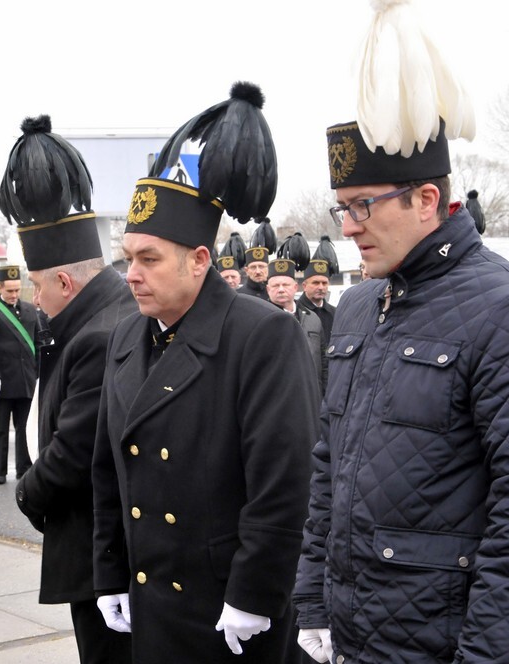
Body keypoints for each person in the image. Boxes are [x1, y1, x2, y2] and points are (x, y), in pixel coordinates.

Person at [293, 5, 509, 661]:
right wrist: (312, 598)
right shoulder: (360, 305)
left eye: (362, 205)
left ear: (426, 200)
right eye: (342, 208)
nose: (348, 226)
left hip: (452, 645)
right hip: (357, 638)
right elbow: (330, 467)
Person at [92, 82, 319, 663]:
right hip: (152, 597)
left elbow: (284, 483)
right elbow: (109, 472)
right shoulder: (126, 337)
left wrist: (256, 592)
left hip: (228, 610)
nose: (132, 274)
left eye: (149, 259)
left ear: (199, 260)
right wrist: (110, 570)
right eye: (128, 258)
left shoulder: (263, 335)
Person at [1, 115, 136, 663]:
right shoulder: (94, 318)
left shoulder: (99, 333)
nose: (34, 299)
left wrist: (27, 493)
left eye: (36, 286)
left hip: (99, 551)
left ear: (63, 280)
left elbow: (75, 450)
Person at [0, 264, 38, 484]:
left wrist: (38, 373)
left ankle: (24, 469)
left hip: (25, 380)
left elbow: (38, 344)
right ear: (0, 287)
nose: (14, 294)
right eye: (10, 290)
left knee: (24, 428)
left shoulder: (30, 310)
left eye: (17, 290)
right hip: (1, 382)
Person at [267, 257, 325, 392]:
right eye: (275, 286)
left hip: (311, 392)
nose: (281, 290)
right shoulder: (260, 318)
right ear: (268, 289)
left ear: (295, 287)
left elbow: (323, 360)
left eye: (285, 285)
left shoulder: (312, 318)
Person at [297, 257, 337, 355]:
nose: (321, 287)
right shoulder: (296, 311)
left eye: (324, 283)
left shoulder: (335, 312)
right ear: (304, 286)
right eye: (315, 283)